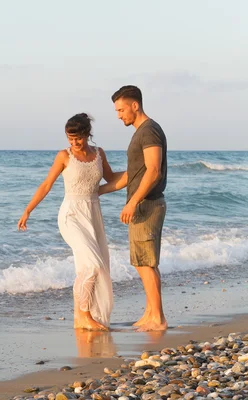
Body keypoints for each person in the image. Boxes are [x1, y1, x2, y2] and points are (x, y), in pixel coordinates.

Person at [18, 113, 116, 331]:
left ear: (87, 134)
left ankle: (81, 317)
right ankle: (84, 314)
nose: (74, 143)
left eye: (78, 138)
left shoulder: (99, 154)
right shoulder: (64, 156)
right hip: (71, 215)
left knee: (88, 267)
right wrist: (27, 211)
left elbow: (111, 179)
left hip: (92, 214)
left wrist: (139, 174)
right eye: (70, 139)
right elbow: (46, 185)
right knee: (92, 264)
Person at [100, 85, 168, 332]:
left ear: (134, 105)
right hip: (145, 203)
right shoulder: (142, 132)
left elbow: (153, 170)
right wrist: (98, 190)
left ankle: (158, 318)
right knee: (144, 261)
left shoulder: (149, 131)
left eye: (120, 109)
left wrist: (132, 202)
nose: (118, 115)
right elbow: (133, 174)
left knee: (144, 263)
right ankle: (151, 312)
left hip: (147, 204)